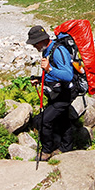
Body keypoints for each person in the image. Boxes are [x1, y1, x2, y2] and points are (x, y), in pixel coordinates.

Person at [26, 25, 75, 160]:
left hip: (64, 94)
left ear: (42, 40)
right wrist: (39, 80)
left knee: (44, 121)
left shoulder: (59, 51)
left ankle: (47, 151)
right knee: (63, 120)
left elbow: (68, 75)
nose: (34, 47)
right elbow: (51, 75)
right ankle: (66, 147)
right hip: (55, 92)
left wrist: (49, 69)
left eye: (35, 43)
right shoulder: (46, 51)